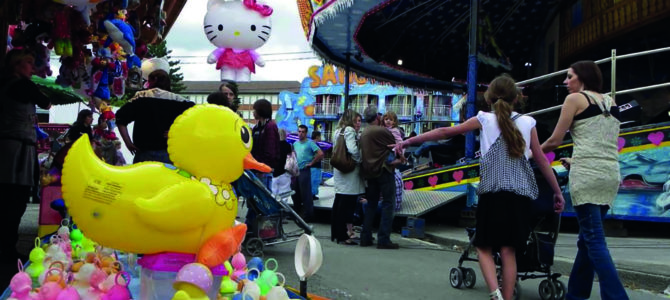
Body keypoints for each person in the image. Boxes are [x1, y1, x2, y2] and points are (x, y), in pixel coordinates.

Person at [395, 75, 565, 300]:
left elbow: (444, 133)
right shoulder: (528, 122)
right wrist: (558, 192)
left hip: (492, 195)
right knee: (508, 250)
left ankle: (496, 295)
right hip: (520, 198)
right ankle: (506, 295)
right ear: (516, 98)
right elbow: (542, 161)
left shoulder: (484, 119)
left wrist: (407, 142)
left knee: (483, 247)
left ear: (490, 97)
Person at [541, 61, 628, 300]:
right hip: (609, 175)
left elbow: (555, 140)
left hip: (588, 178)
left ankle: (618, 297)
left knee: (594, 240)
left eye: (570, 77)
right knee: (586, 241)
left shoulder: (574, 100)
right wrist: (575, 160)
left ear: (583, 77)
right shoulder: (611, 101)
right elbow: (602, 143)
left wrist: (532, 152)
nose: (566, 82)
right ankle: (576, 295)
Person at [0, 48, 51, 288]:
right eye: (29, 64)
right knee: (13, 199)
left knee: (14, 200)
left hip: (18, 147)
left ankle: (7, 247)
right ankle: (6, 250)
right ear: (18, 65)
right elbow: (45, 101)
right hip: (14, 150)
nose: (32, 68)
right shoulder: (17, 85)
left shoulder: (14, 85)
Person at [116, 69, 195, 164]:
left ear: (155, 80)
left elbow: (120, 118)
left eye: (148, 81)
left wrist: (128, 143)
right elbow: (197, 118)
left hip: (143, 154)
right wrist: (179, 131)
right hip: (169, 154)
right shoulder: (180, 101)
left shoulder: (141, 98)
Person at [359, 105, 400, 249]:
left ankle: (365, 236)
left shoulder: (363, 133)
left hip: (369, 172)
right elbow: (395, 147)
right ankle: (383, 238)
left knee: (371, 204)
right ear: (377, 117)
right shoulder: (382, 131)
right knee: (389, 203)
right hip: (383, 170)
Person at [330, 109, 365, 245]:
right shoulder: (349, 130)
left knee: (338, 202)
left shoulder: (338, 131)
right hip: (349, 174)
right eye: (356, 120)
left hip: (339, 172)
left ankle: (336, 233)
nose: (358, 123)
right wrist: (358, 160)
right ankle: (343, 235)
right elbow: (352, 150)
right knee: (347, 205)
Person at [290, 125, 324, 222]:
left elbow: (320, 153)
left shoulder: (310, 143)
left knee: (306, 195)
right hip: (296, 171)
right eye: (299, 131)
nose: (300, 133)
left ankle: (308, 216)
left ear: (306, 133)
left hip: (305, 170)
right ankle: (298, 214)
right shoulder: (295, 144)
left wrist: (312, 163)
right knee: (295, 193)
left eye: (303, 132)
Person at [250, 98, 279, 189]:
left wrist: (262, 168)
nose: (253, 113)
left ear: (260, 110)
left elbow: (270, 151)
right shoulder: (256, 127)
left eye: (254, 110)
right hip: (255, 170)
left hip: (264, 172)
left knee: (263, 200)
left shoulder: (270, 126)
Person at [271, 128, 293, 195]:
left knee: (274, 194)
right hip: (285, 173)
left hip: (275, 173)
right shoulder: (288, 146)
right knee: (284, 195)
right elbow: (290, 159)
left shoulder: (273, 145)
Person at [310, 131, 322, 199]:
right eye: (320, 136)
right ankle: (312, 195)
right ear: (317, 136)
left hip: (313, 166)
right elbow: (319, 155)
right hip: (315, 166)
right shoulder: (315, 145)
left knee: (314, 180)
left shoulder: (310, 144)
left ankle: (312, 194)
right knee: (315, 180)